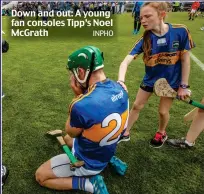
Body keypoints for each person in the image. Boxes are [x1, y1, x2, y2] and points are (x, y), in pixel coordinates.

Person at [35, 46, 129, 193]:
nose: (72, 77)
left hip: (89, 163)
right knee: (67, 139)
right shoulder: (121, 88)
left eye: (73, 73)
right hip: (106, 150)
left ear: (80, 72)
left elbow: (72, 132)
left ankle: (89, 184)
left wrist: (78, 96)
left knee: (41, 176)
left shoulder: (82, 104)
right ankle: (110, 160)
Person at [117, 2, 195, 148]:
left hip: (171, 82)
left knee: (162, 111)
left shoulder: (181, 31)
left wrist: (183, 86)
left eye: (147, 16)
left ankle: (161, 132)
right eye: (141, 18)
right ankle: (125, 132)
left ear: (161, 15)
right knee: (137, 105)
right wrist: (121, 80)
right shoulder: (145, 39)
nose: (143, 21)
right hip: (150, 79)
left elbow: (185, 60)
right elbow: (125, 62)